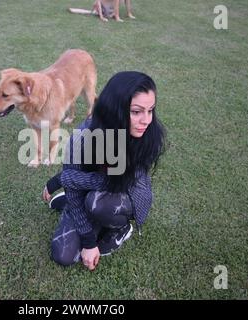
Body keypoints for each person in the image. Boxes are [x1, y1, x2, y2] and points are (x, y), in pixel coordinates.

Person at [42, 71, 166, 271]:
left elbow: (118, 183)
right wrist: (89, 241)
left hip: (123, 196)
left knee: (98, 203)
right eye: (136, 111)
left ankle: (120, 228)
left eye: (150, 110)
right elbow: (77, 180)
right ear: (114, 109)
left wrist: (68, 178)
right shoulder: (82, 137)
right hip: (88, 190)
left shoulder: (146, 136)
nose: (146, 120)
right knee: (63, 255)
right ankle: (71, 203)